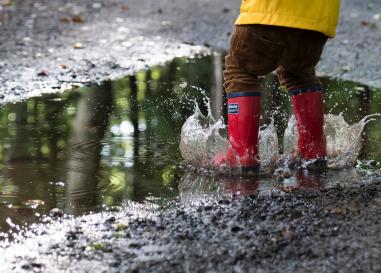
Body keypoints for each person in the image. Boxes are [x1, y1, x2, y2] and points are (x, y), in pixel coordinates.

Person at [215, 0, 341, 172]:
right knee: (299, 73)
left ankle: (242, 156)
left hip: (270, 10)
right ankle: (313, 151)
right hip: (317, 21)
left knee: (240, 71)